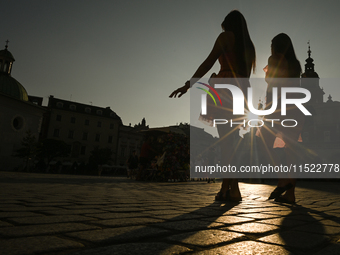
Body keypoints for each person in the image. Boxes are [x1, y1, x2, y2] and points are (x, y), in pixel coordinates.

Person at [170, 10, 256, 202]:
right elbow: (246, 76)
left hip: (225, 87)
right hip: (241, 90)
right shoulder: (249, 45)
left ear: (227, 24)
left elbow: (208, 62)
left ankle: (230, 189)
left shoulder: (226, 37)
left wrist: (189, 84)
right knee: (231, 141)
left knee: (226, 142)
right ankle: (231, 188)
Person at [259, 33, 304, 204]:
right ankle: (290, 195)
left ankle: (282, 178)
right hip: (295, 109)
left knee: (264, 140)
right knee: (290, 151)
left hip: (278, 106)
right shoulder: (295, 64)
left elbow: (271, 81)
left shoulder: (274, 58)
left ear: (276, 47)